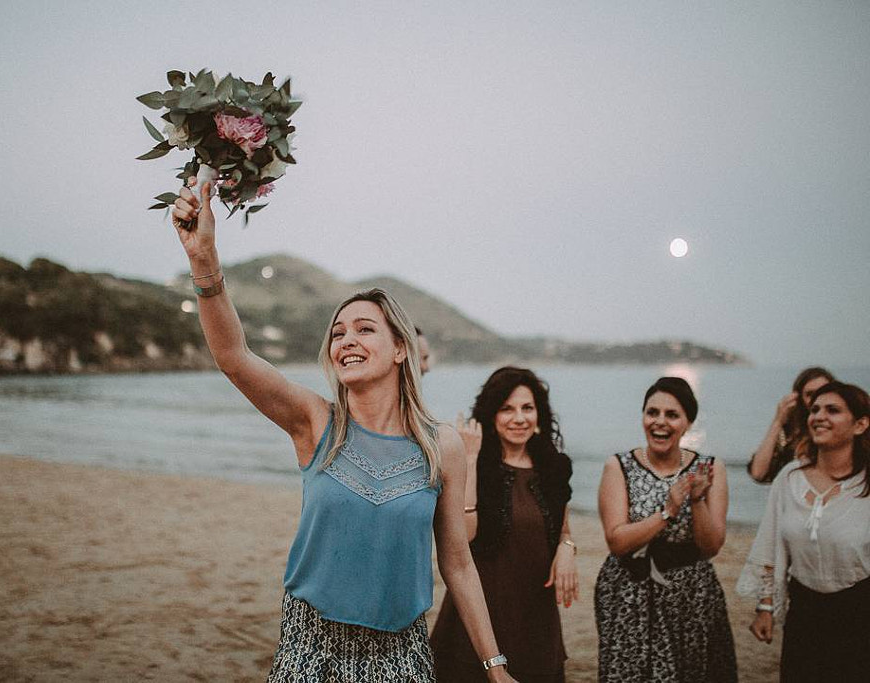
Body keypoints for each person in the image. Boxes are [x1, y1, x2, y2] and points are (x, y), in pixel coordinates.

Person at [171, 180, 517, 682]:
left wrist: (495, 665)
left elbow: (458, 565)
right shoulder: (316, 423)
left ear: (401, 349)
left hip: (401, 656)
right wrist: (204, 260)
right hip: (311, 649)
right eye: (338, 332)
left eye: (364, 329)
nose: (347, 340)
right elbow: (233, 356)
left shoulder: (440, 445)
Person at [430, 367, 576, 682]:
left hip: (536, 616)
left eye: (527, 408)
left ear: (540, 413)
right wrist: (469, 457)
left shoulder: (553, 466)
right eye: (507, 409)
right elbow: (465, 535)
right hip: (482, 612)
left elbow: (563, 529)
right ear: (491, 415)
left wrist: (567, 549)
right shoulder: (476, 463)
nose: (519, 418)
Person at [594, 377, 737, 682]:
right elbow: (617, 542)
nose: (660, 422)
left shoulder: (710, 468)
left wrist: (697, 500)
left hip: (691, 594)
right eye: (652, 412)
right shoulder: (618, 466)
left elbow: (711, 546)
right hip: (629, 592)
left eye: (672, 415)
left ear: (687, 423)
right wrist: (668, 511)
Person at [738, 381, 870, 682]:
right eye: (814, 410)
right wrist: (766, 606)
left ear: (860, 424)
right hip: (804, 613)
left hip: (860, 611)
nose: (819, 416)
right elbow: (772, 545)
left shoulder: (866, 484)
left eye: (832, 410)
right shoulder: (790, 478)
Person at [748, 367, 835, 483]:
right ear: (799, 399)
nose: (817, 399)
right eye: (810, 394)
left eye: (823, 392)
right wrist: (778, 421)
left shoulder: (842, 428)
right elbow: (758, 473)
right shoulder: (790, 433)